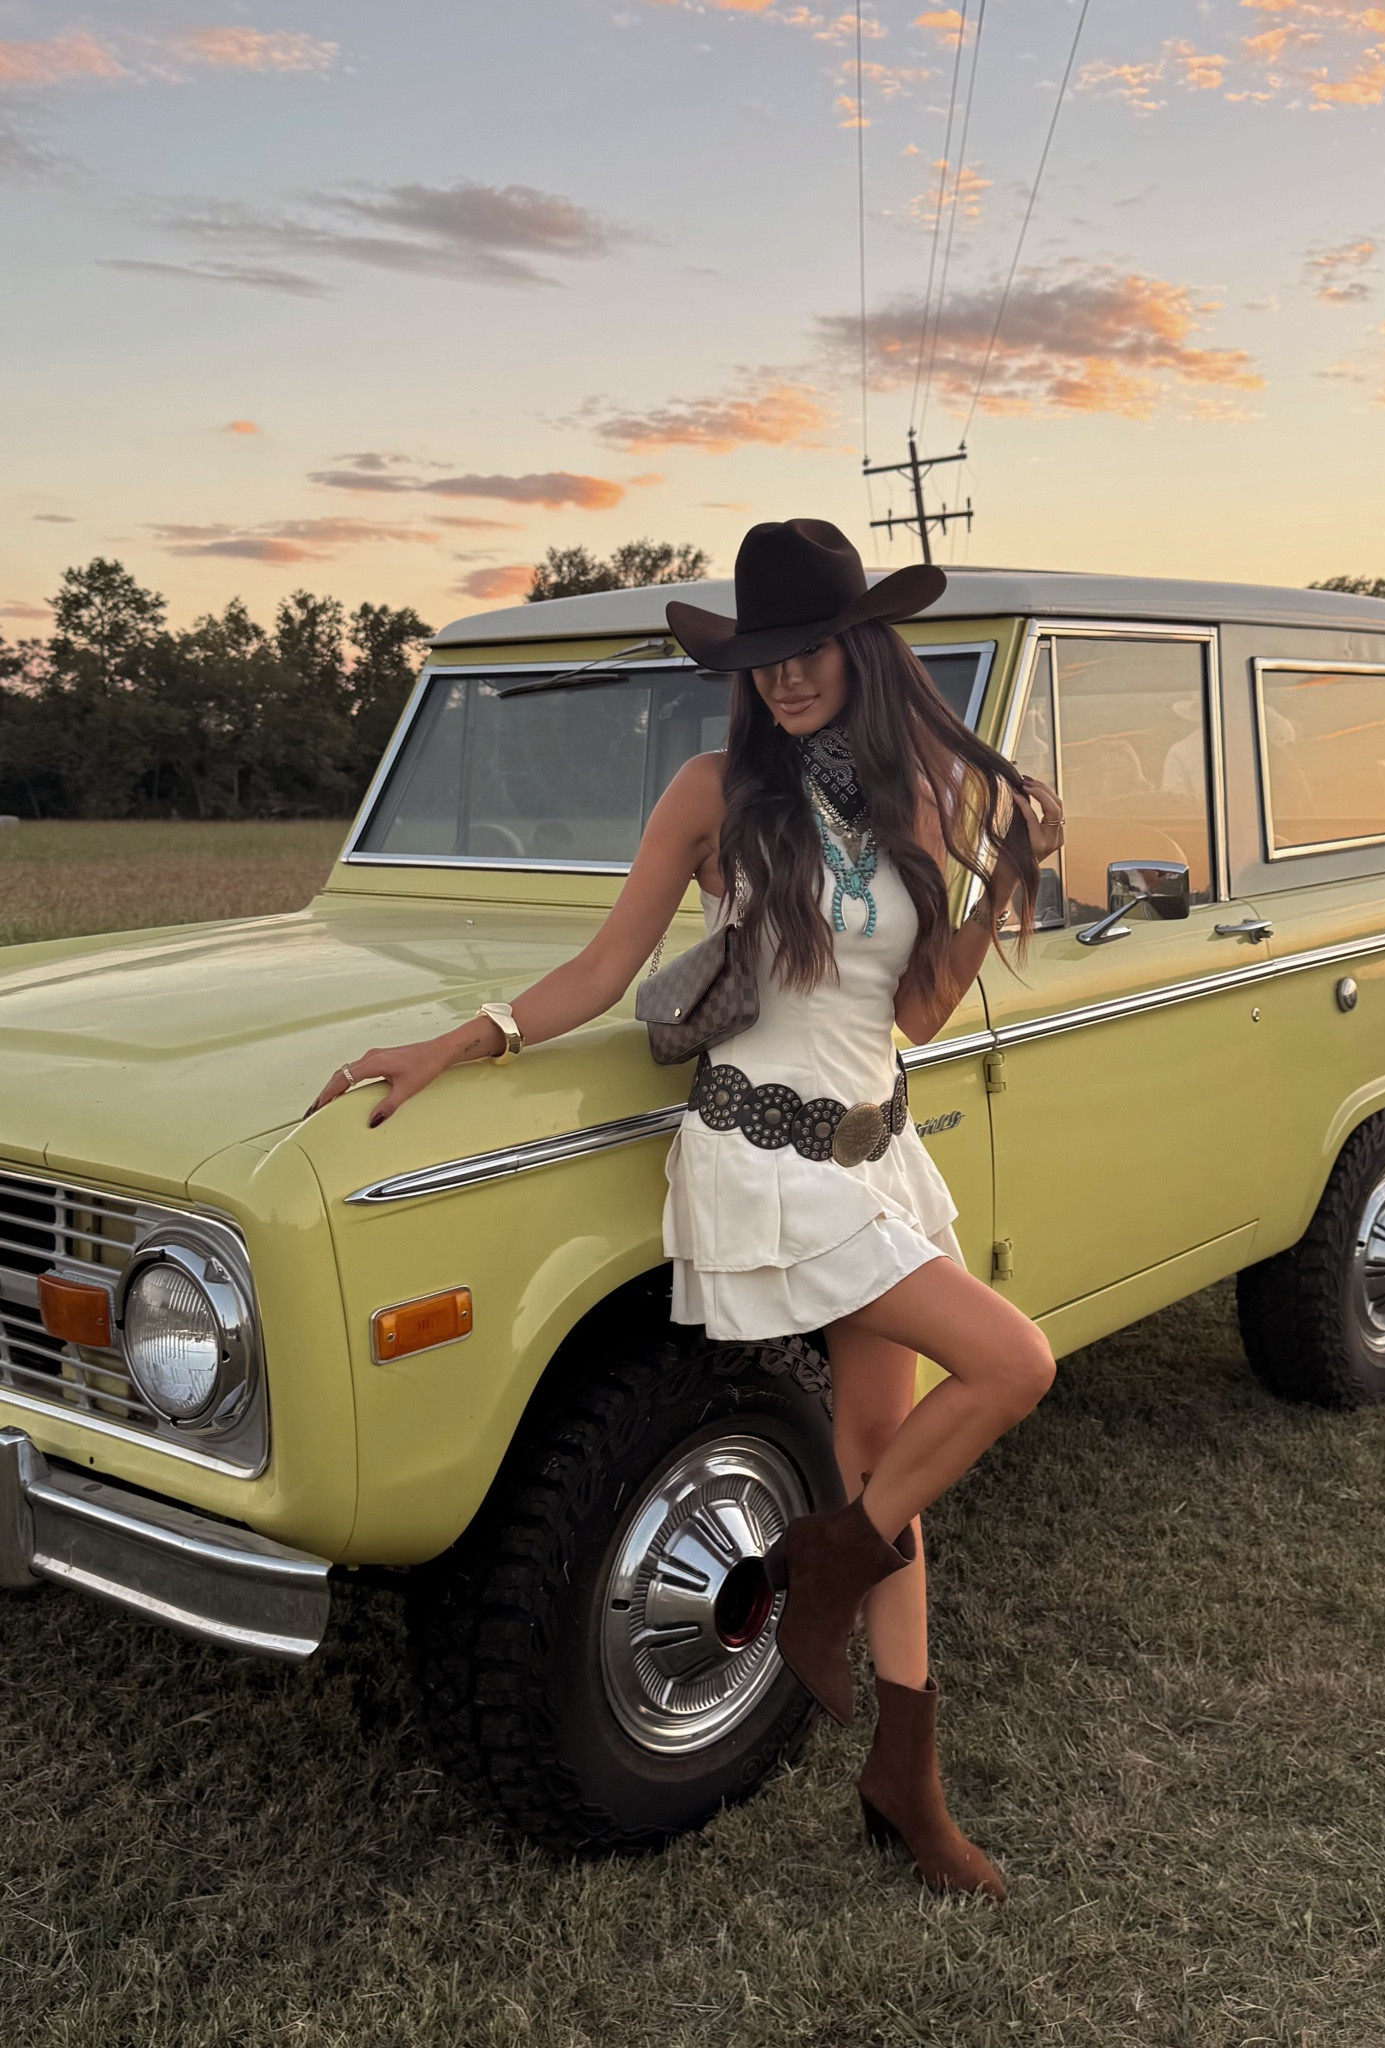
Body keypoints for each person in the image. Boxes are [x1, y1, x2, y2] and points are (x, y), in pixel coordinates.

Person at [307, 519, 1065, 1898]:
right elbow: (603, 967)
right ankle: (817, 1574)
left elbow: (915, 1010)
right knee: (1015, 1362)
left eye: (805, 652)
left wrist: (1004, 880)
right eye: (760, 658)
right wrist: (459, 1039)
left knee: (885, 1454)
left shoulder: (914, 803)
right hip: (766, 1164)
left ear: (861, 647)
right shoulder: (715, 794)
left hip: (876, 1154)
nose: (781, 681)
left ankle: (905, 1777)